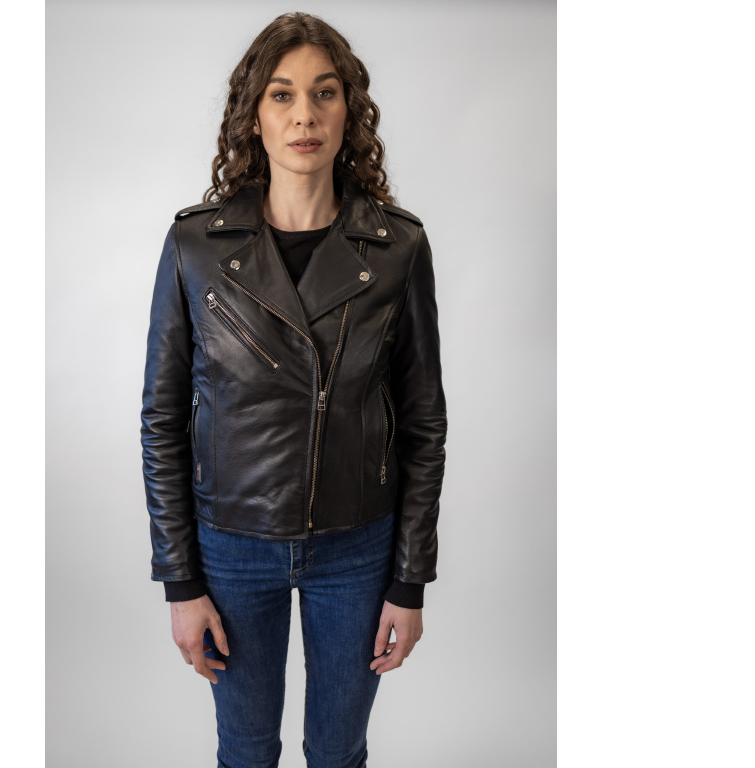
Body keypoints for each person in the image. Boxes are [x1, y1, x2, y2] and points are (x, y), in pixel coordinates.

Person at [141, 12, 447, 768]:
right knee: (245, 751)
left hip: (359, 544)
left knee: (339, 752)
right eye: (281, 95)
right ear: (255, 115)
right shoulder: (195, 246)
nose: (304, 115)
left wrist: (409, 581)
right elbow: (162, 420)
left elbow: (423, 424)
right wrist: (181, 581)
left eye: (324, 93)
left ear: (350, 112)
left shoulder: (398, 247)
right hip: (232, 543)